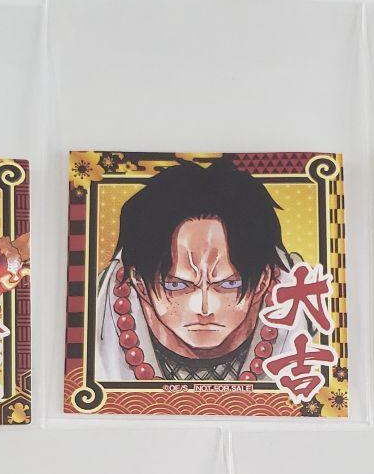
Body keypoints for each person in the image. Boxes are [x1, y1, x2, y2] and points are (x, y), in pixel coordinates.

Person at [95, 158, 308, 383]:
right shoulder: (101, 315)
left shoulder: (297, 311)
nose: (204, 308)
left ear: (263, 281)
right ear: (139, 282)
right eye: (177, 285)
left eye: (228, 284)